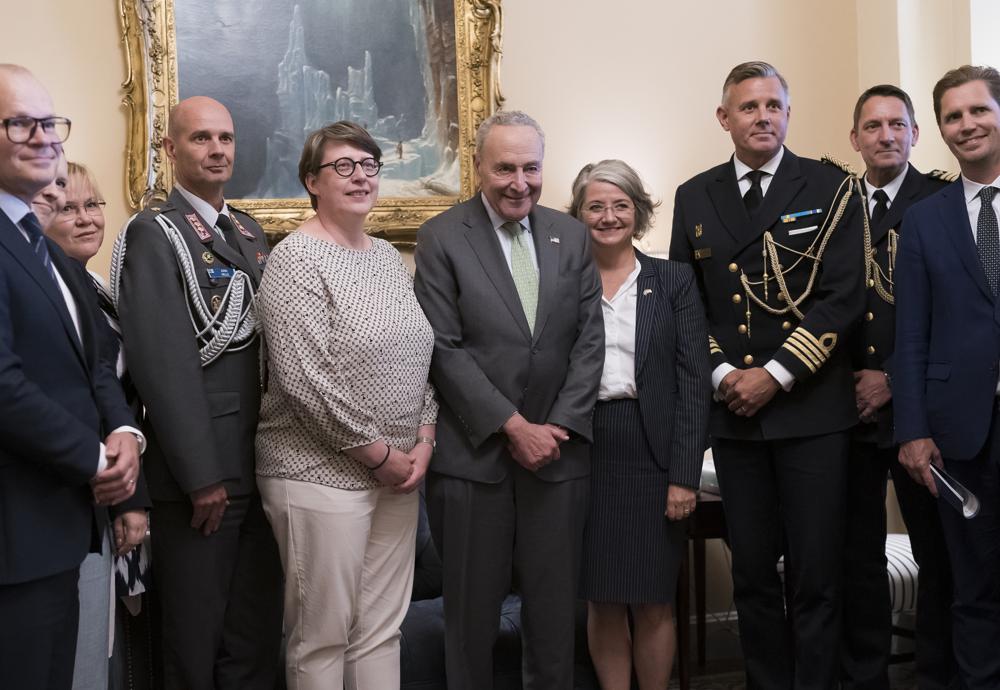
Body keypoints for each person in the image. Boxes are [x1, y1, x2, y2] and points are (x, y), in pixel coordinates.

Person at [669, 61, 865, 689]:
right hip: (733, 416)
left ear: (788, 113)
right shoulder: (694, 195)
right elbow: (685, 300)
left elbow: (843, 295)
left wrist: (776, 374)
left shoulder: (833, 186)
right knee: (752, 574)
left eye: (774, 106)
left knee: (816, 576)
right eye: (749, 107)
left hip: (811, 412)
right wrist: (724, 371)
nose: (763, 117)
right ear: (724, 119)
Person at [413, 110, 605, 690]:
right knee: (470, 623)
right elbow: (444, 348)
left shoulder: (570, 233)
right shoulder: (442, 236)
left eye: (531, 167)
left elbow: (589, 341)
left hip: (558, 459)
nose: (519, 182)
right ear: (478, 168)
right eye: (505, 169)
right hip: (474, 464)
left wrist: (558, 427)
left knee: (554, 620)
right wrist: (513, 426)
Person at [255, 120, 437, 689]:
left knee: (381, 630)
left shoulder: (386, 257)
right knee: (322, 637)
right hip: (319, 474)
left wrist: (424, 440)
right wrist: (380, 454)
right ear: (312, 180)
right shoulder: (293, 260)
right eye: (343, 167)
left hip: (400, 474)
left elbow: (419, 355)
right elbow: (305, 379)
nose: (360, 177)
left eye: (369, 166)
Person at [114, 95, 282, 690]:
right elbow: (162, 364)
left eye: (226, 139)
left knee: (255, 638)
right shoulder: (153, 234)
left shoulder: (247, 230)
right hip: (203, 477)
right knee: (195, 642)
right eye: (201, 138)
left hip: (260, 463)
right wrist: (199, 475)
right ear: (170, 149)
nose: (217, 150)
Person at [0, 64, 142, 690]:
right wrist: (95, 458)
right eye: (19, 124)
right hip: (13, 534)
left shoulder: (45, 252)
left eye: (50, 122)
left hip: (59, 530)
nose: (43, 137)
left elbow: (94, 366)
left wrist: (124, 434)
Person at [569, 159, 710, 690]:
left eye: (620, 205)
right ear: (579, 214)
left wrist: (683, 476)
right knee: (602, 598)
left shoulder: (672, 280)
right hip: (584, 451)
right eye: (596, 206)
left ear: (639, 211)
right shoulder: (565, 283)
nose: (608, 217)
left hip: (653, 453)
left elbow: (694, 384)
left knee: (653, 598)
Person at [841, 84, 956, 690]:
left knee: (939, 558)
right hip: (848, 413)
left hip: (919, 411)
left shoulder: (940, 201)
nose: (885, 135)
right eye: (872, 126)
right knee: (854, 560)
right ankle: (864, 680)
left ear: (916, 134)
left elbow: (956, 315)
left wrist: (890, 378)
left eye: (897, 125)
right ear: (854, 138)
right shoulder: (833, 205)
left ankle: (934, 677)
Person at [894, 64, 1000, 690]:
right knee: (973, 589)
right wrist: (912, 430)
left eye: (978, 110)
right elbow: (911, 335)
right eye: (952, 116)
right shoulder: (926, 219)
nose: (966, 125)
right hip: (961, 437)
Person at [41, 159, 152, 690]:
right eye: (67, 209)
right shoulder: (50, 292)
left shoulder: (95, 287)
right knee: (81, 652)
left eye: (93, 205)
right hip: (82, 489)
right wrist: (126, 498)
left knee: (100, 646)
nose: (86, 219)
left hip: (114, 479)